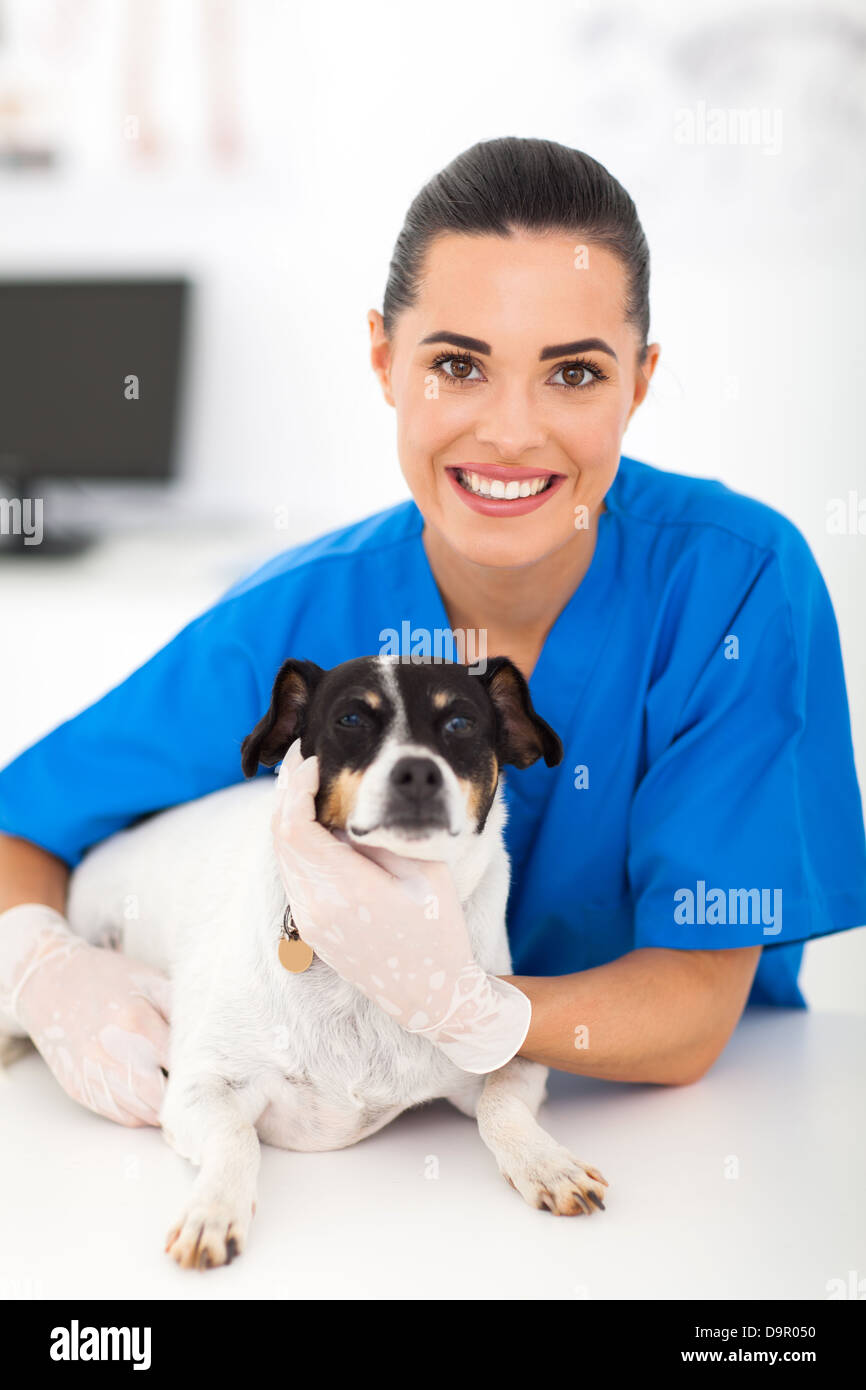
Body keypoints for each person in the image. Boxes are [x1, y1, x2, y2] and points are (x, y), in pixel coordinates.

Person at [1, 136, 865, 1127]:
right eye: (458, 364)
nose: (508, 431)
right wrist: (44, 969)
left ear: (636, 380)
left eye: (573, 374)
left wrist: (464, 1009)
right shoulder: (295, 614)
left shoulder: (735, 586)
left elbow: (688, 1018)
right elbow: (21, 825)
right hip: (348, 1151)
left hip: (675, 1129)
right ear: (384, 361)